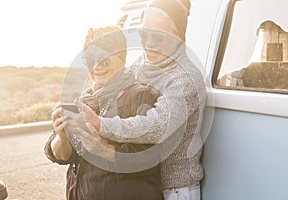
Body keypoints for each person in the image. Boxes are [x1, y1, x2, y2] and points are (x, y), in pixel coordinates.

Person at [77, 0, 207, 199]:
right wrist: (87, 100)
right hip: (146, 184)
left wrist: (102, 125)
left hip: (176, 189)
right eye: (144, 34)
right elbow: (116, 86)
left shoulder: (185, 78)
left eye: (159, 37)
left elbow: (156, 126)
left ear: (178, 36)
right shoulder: (140, 64)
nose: (149, 43)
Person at [44, 25, 163, 200]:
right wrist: (62, 136)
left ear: (122, 59)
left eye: (104, 60)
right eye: (90, 60)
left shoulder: (139, 96)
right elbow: (63, 156)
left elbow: (150, 162)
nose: (97, 66)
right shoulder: (82, 100)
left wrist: (103, 149)